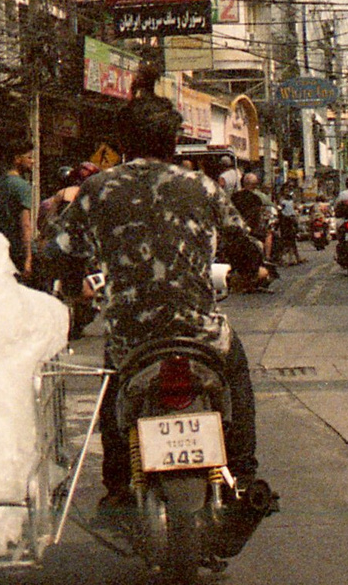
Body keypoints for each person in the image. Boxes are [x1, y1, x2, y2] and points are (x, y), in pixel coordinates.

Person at [44, 94, 275, 529]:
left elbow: (57, 252)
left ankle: (116, 487)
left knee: (115, 389)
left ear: (124, 143)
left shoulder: (98, 190)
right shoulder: (201, 187)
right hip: (199, 335)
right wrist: (257, 269)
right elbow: (244, 248)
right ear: (173, 141)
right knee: (237, 370)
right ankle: (243, 472)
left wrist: (75, 285)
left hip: (132, 339)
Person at [0, 152, 38, 274]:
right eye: (29, 157)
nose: (33, 162)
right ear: (17, 159)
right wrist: (28, 258)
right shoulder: (22, 187)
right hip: (17, 250)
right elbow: (25, 224)